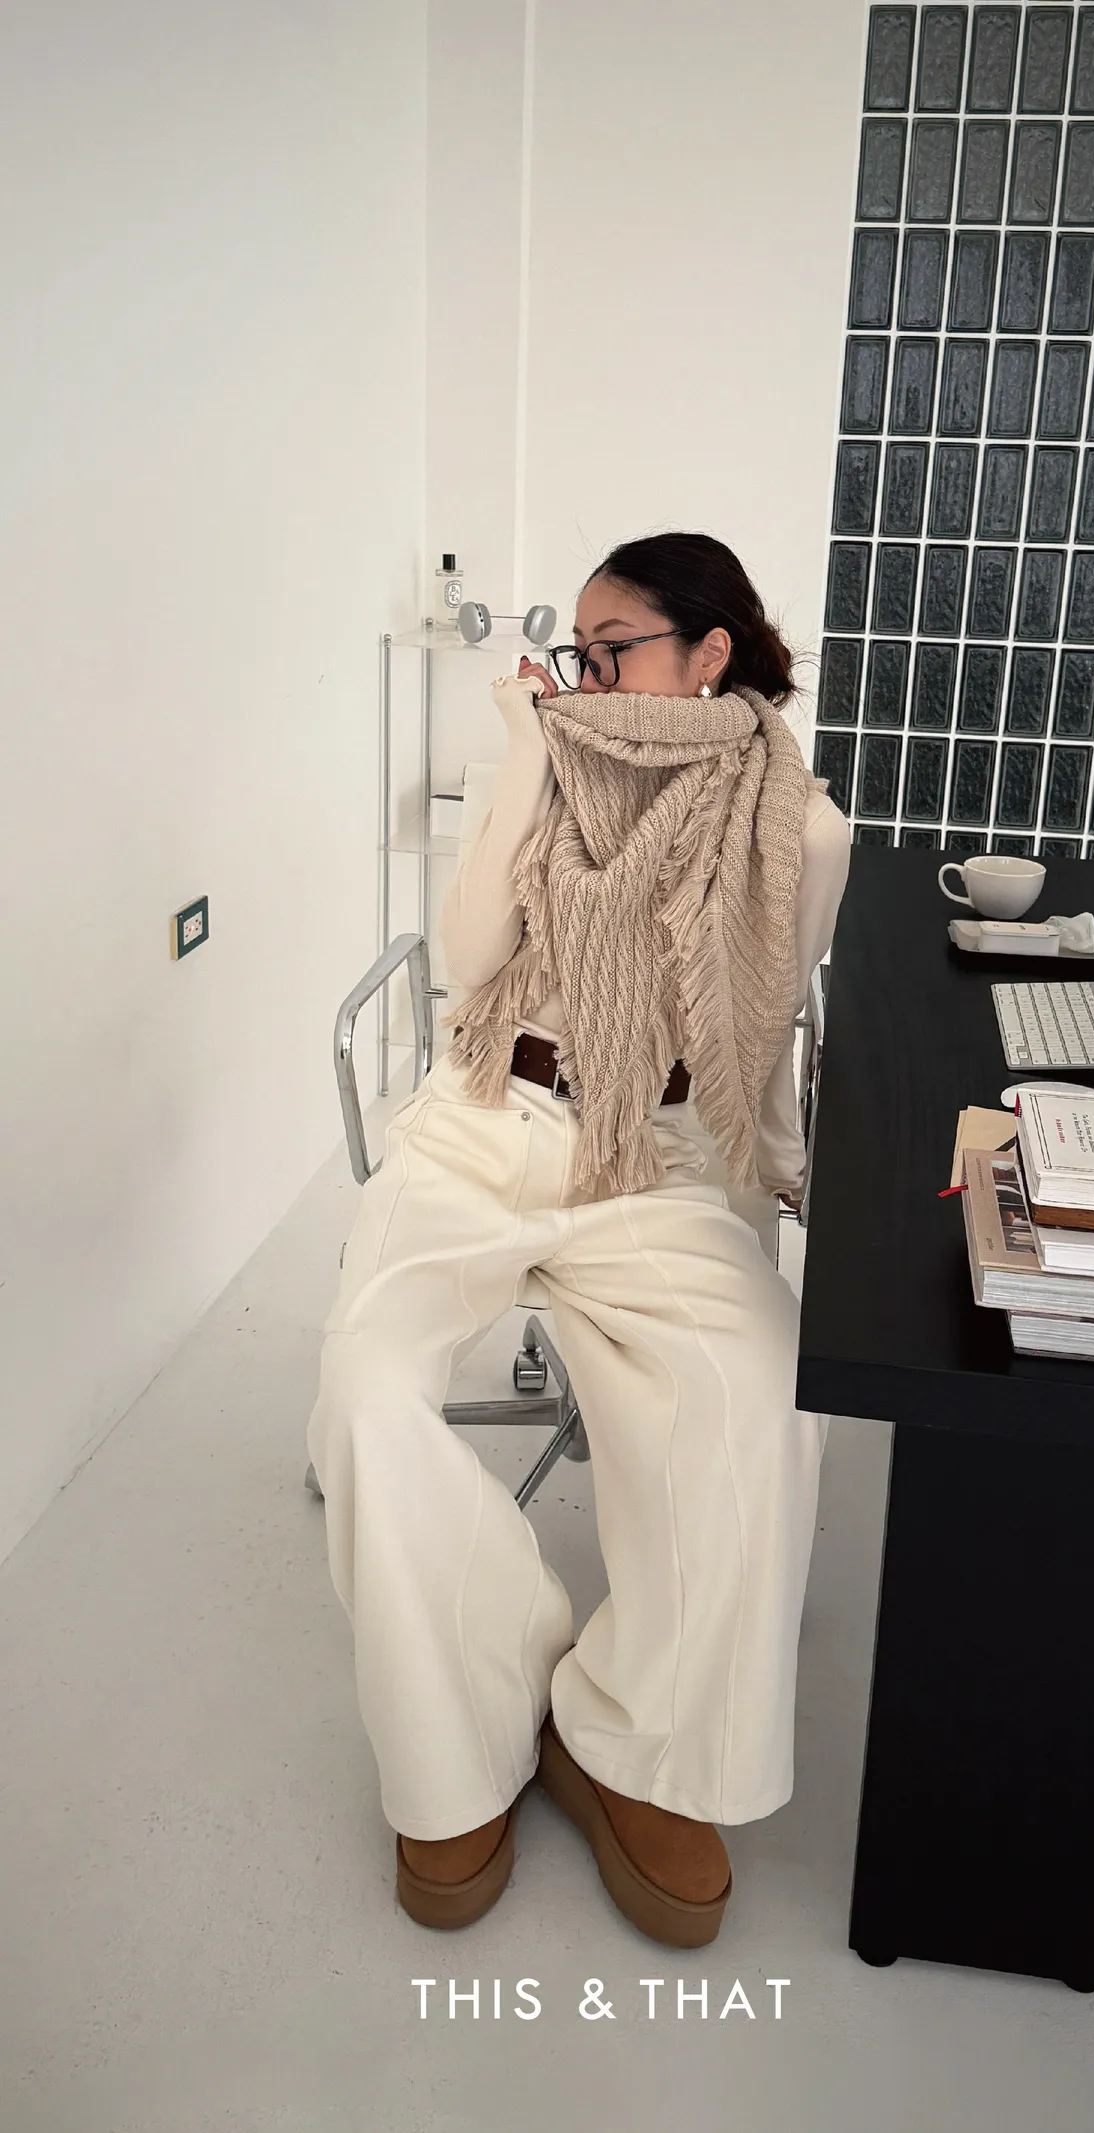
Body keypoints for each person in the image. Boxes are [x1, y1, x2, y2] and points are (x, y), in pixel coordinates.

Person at [306, 532, 851, 1949]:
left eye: (612, 651)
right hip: (489, 1110)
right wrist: (528, 756)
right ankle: (468, 1726)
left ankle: (631, 1742)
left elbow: (759, 1021)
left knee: (764, 1397)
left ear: (710, 653)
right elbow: (472, 955)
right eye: (579, 651)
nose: (582, 673)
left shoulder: (800, 828)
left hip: (653, 1151)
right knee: (365, 1396)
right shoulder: (548, 759)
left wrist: (777, 1177)